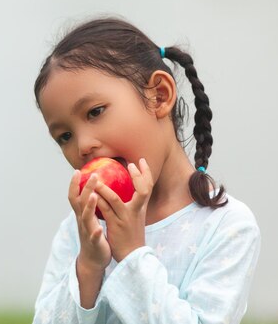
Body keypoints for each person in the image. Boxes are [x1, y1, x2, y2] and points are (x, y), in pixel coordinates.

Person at [31, 17, 261, 324]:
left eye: (95, 112)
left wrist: (131, 256)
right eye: (65, 136)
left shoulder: (227, 227)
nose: (82, 146)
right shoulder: (80, 231)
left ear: (159, 96)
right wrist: (88, 267)